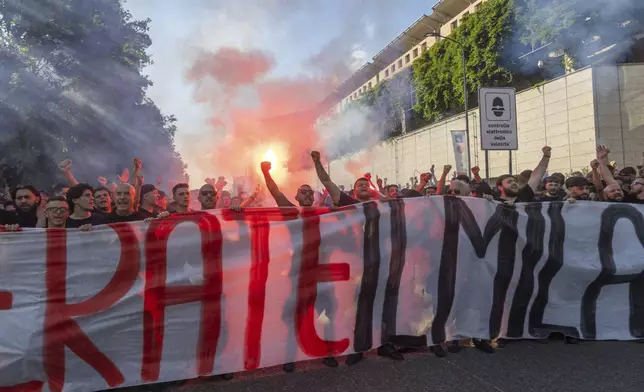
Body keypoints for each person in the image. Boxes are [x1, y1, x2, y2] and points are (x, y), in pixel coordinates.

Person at [311, 150, 403, 365]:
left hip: (381, 262)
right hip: (356, 265)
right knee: (356, 305)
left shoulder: (382, 206)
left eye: (366, 184)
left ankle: (384, 344)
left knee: (383, 302)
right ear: (353, 190)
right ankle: (358, 346)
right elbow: (326, 179)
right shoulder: (347, 203)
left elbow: (399, 205)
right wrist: (317, 161)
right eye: (359, 184)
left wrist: (376, 191)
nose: (363, 185)